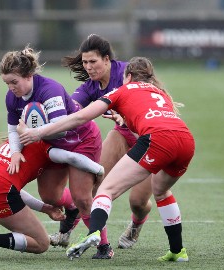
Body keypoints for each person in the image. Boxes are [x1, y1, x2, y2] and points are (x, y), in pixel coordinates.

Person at [19, 57, 195, 262]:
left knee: (106, 190)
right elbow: (152, 117)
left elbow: (80, 117)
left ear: (127, 77)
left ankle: (93, 233)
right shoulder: (160, 93)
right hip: (186, 140)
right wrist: (124, 120)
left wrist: (38, 133)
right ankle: (177, 251)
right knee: (161, 191)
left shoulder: (121, 90)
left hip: (158, 140)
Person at [0, 45, 112, 259]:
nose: (11, 88)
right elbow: (13, 128)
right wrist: (15, 152)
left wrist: (34, 133)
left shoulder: (49, 90)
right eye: (6, 83)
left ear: (29, 75)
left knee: (82, 197)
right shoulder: (11, 97)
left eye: (14, 82)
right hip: (52, 143)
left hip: (81, 140)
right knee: (50, 196)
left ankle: (103, 246)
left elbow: (61, 129)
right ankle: (72, 211)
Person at [50, 34, 153, 252]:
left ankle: (136, 224)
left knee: (138, 202)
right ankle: (71, 228)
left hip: (150, 142)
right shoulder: (90, 87)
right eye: (85, 62)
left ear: (107, 60)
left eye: (93, 62)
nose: (88, 67)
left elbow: (152, 99)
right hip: (123, 136)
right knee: (94, 183)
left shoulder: (128, 73)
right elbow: (72, 110)